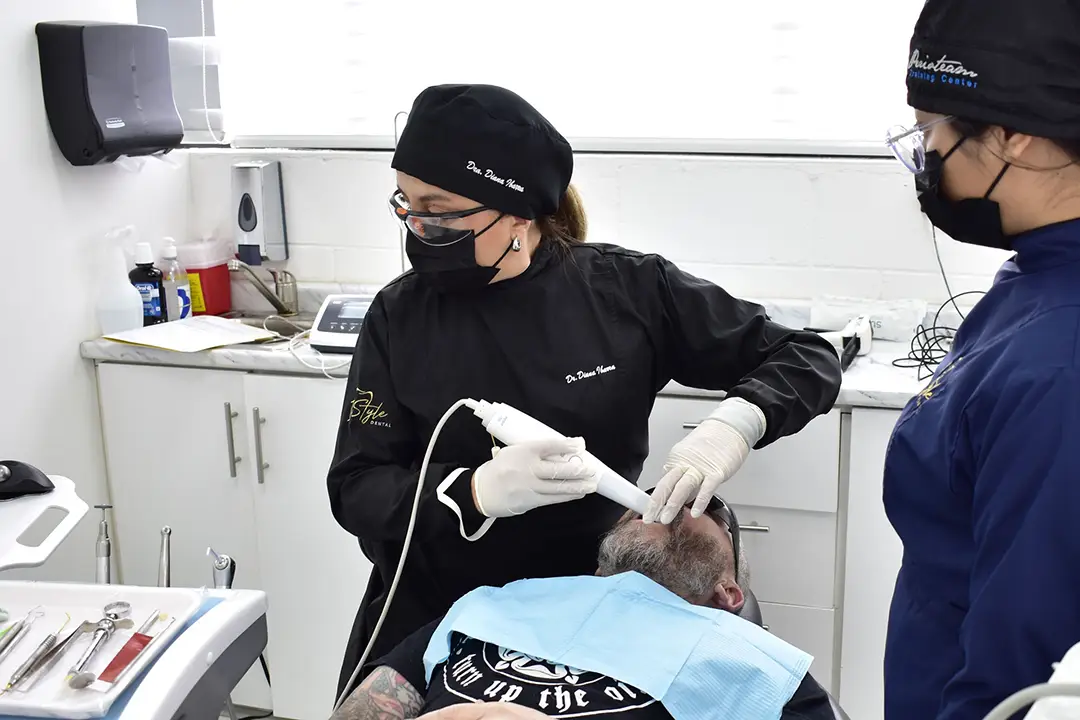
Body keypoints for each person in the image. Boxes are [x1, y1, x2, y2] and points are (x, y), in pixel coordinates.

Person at [327, 83, 843, 697]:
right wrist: (470, 491)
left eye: (439, 211)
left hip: (591, 614)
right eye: (405, 204)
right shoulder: (399, 317)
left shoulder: (626, 292)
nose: (417, 226)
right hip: (436, 617)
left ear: (516, 210)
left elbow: (807, 356)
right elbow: (357, 488)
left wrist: (734, 425)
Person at [882, 1, 1080, 718]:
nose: (924, 154)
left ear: (1014, 137)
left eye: (932, 130)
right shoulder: (1033, 274)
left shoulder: (1058, 365)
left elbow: (1024, 656)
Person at [331, 500, 836, 720]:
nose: (673, 500)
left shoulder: (758, 666)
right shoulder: (494, 604)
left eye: (708, 508)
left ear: (729, 592)